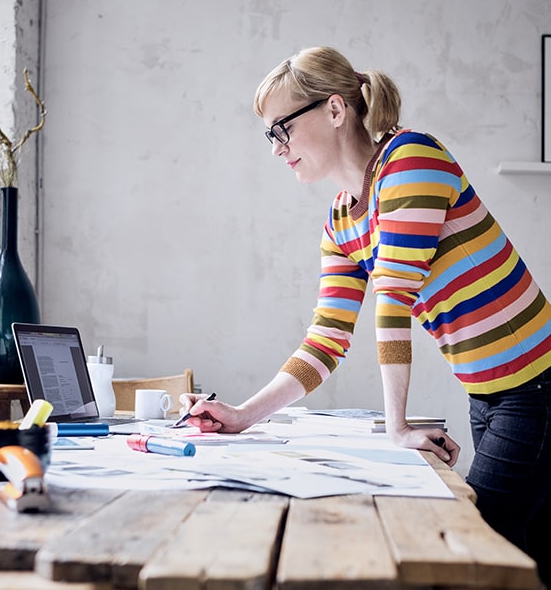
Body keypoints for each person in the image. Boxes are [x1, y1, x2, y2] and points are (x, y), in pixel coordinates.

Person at [181, 46, 551, 586]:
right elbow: (325, 341)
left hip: (536, 390)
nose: (277, 147)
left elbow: (394, 298)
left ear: (335, 110)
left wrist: (397, 427)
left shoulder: (412, 159)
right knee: (525, 553)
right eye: (270, 135)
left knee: (477, 553)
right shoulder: (340, 222)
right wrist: (241, 414)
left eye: (281, 127)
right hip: (489, 394)